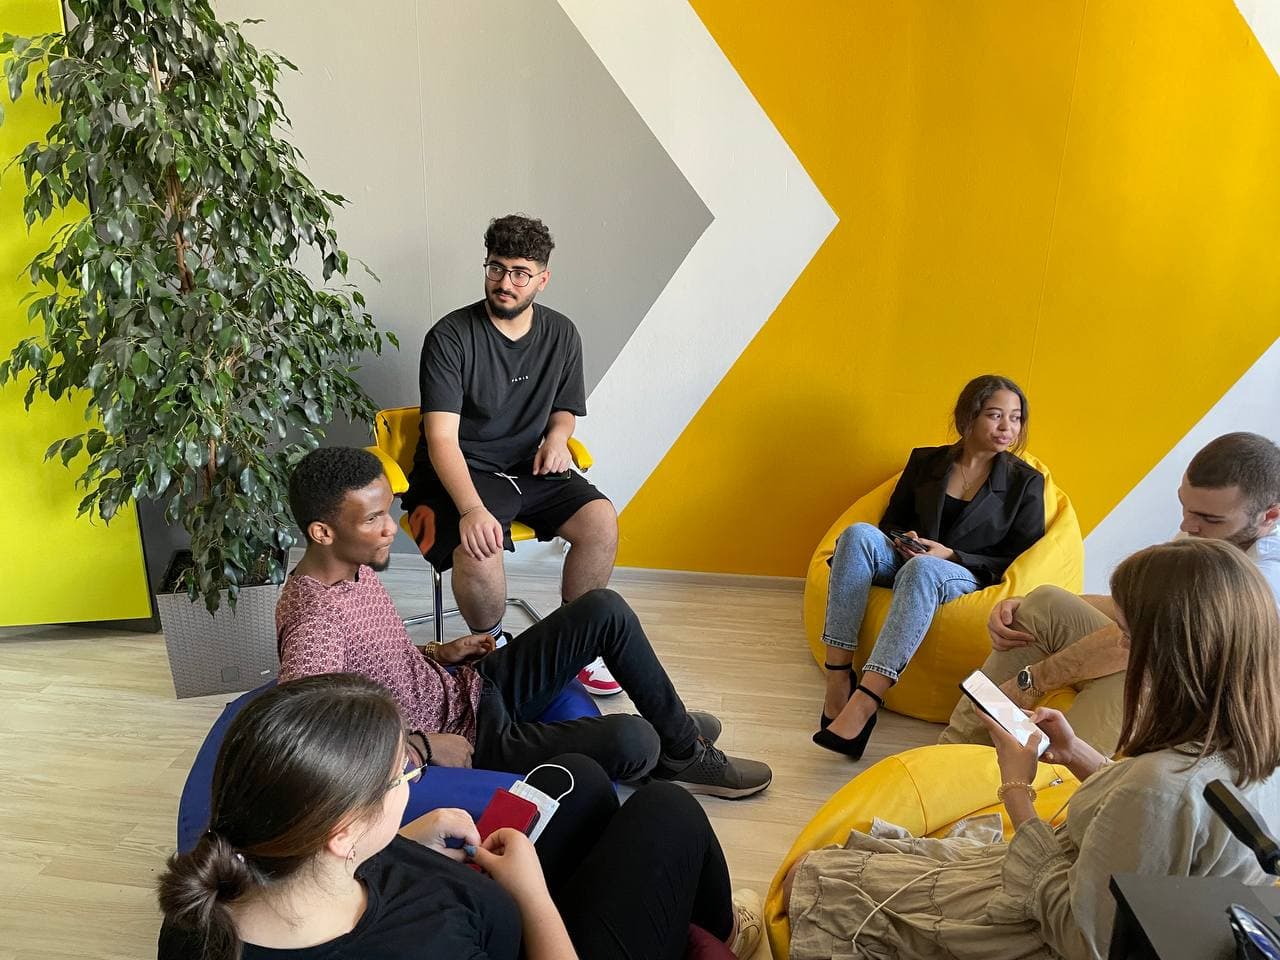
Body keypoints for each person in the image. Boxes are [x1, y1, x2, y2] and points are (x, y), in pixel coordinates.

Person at [783, 538, 1280, 960]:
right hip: (1076, 879)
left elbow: (1082, 939)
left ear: (1170, 657)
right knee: (844, 863)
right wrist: (1078, 754)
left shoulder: (1158, 788)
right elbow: (1154, 825)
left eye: (1127, 639)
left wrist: (1017, 787)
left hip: (1045, 923)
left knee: (811, 882)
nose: (1119, 649)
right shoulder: (1234, 747)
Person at [276, 445, 772, 799]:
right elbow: (311, 742)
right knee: (636, 740)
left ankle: (681, 748)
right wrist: (421, 746)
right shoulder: (313, 624)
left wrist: (436, 653)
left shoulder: (355, 566)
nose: (391, 529)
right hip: (473, 742)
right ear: (323, 532)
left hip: (467, 688)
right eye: (373, 519)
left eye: (387, 512)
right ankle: (670, 737)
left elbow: (371, 664)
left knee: (605, 608)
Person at [156, 674, 765, 960]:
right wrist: (531, 895)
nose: (411, 779)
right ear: (342, 833)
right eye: (401, 776)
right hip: (533, 936)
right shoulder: (426, 945)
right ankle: (721, 936)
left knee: (577, 776)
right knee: (667, 809)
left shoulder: (200, 910)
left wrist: (403, 842)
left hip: (464, 896)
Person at [941, 431, 1280, 755]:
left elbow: (1149, 639)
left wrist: (1032, 681)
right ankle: (951, 754)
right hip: (1162, 659)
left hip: (1202, 704)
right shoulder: (1208, 536)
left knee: (1138, 667)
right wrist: (1023, 604)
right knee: (1045, 603)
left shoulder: (1263, 577)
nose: (1187, 525)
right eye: (1185, 505)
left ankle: (1050, 776)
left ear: (1270, 515)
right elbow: (1133, 610)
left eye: (1209, 518)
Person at [403, 213, 622, 696]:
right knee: (480, 542)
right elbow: (441, 439)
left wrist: (558, 438)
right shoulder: (450, 336)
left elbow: (565, 409)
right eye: (496, 268)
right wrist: (471, 509)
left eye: (520, 273)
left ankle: (575, 643)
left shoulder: (562, 334)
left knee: (601, 521)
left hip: (526, 465)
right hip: (458, 469)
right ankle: (494, 648)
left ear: (543, 279)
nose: (505, 283)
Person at [813, 374, 1045, 759]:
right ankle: (838, 677)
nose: (1007, 427)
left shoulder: (1026, 483)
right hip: (911, 558)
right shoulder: (925, 461)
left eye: (1016, 418)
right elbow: (890, 521)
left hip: (962, 573)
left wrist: (950, 555)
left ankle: (867, 699)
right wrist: (907, 539)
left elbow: (1021, 556)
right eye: (995, 415)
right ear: (968, 416)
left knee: (923, 570)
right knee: (856, 535)